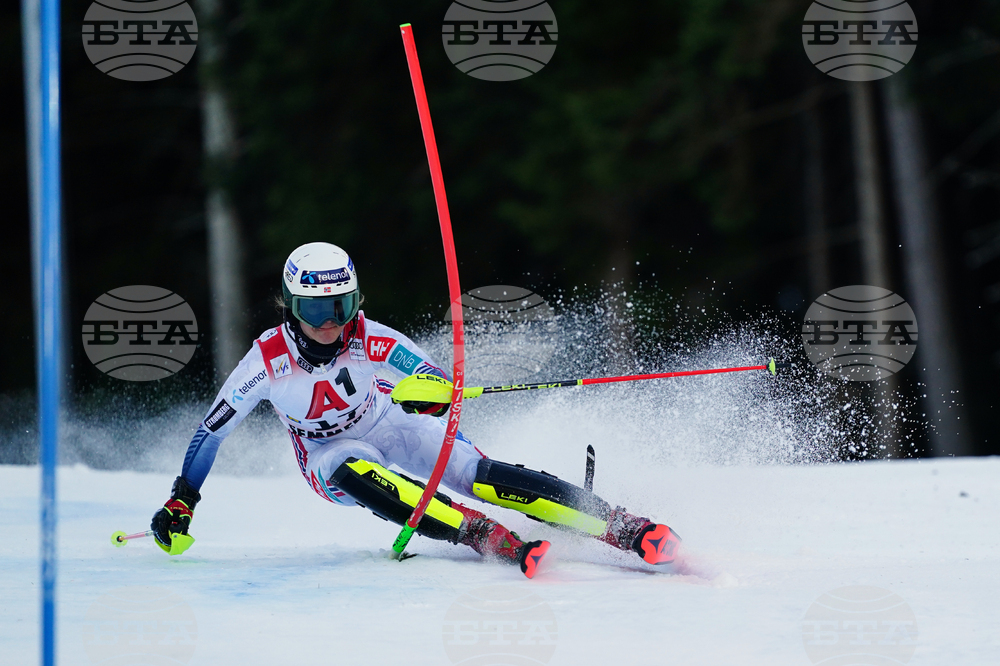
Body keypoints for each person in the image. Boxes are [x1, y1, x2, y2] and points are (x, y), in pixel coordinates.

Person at [152, 242, 680, 578]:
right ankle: (481, 535)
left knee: (478, 474)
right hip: (327, 452)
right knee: (352, 466)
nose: (331, 324)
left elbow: (433, 380)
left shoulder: (370, 337)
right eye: (316, 310)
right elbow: (211, 432)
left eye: (343, 306)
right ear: (291, 307)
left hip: (389, 422)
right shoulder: (266, 361)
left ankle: (623, 527)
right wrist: (183, 500)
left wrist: (431, 393)